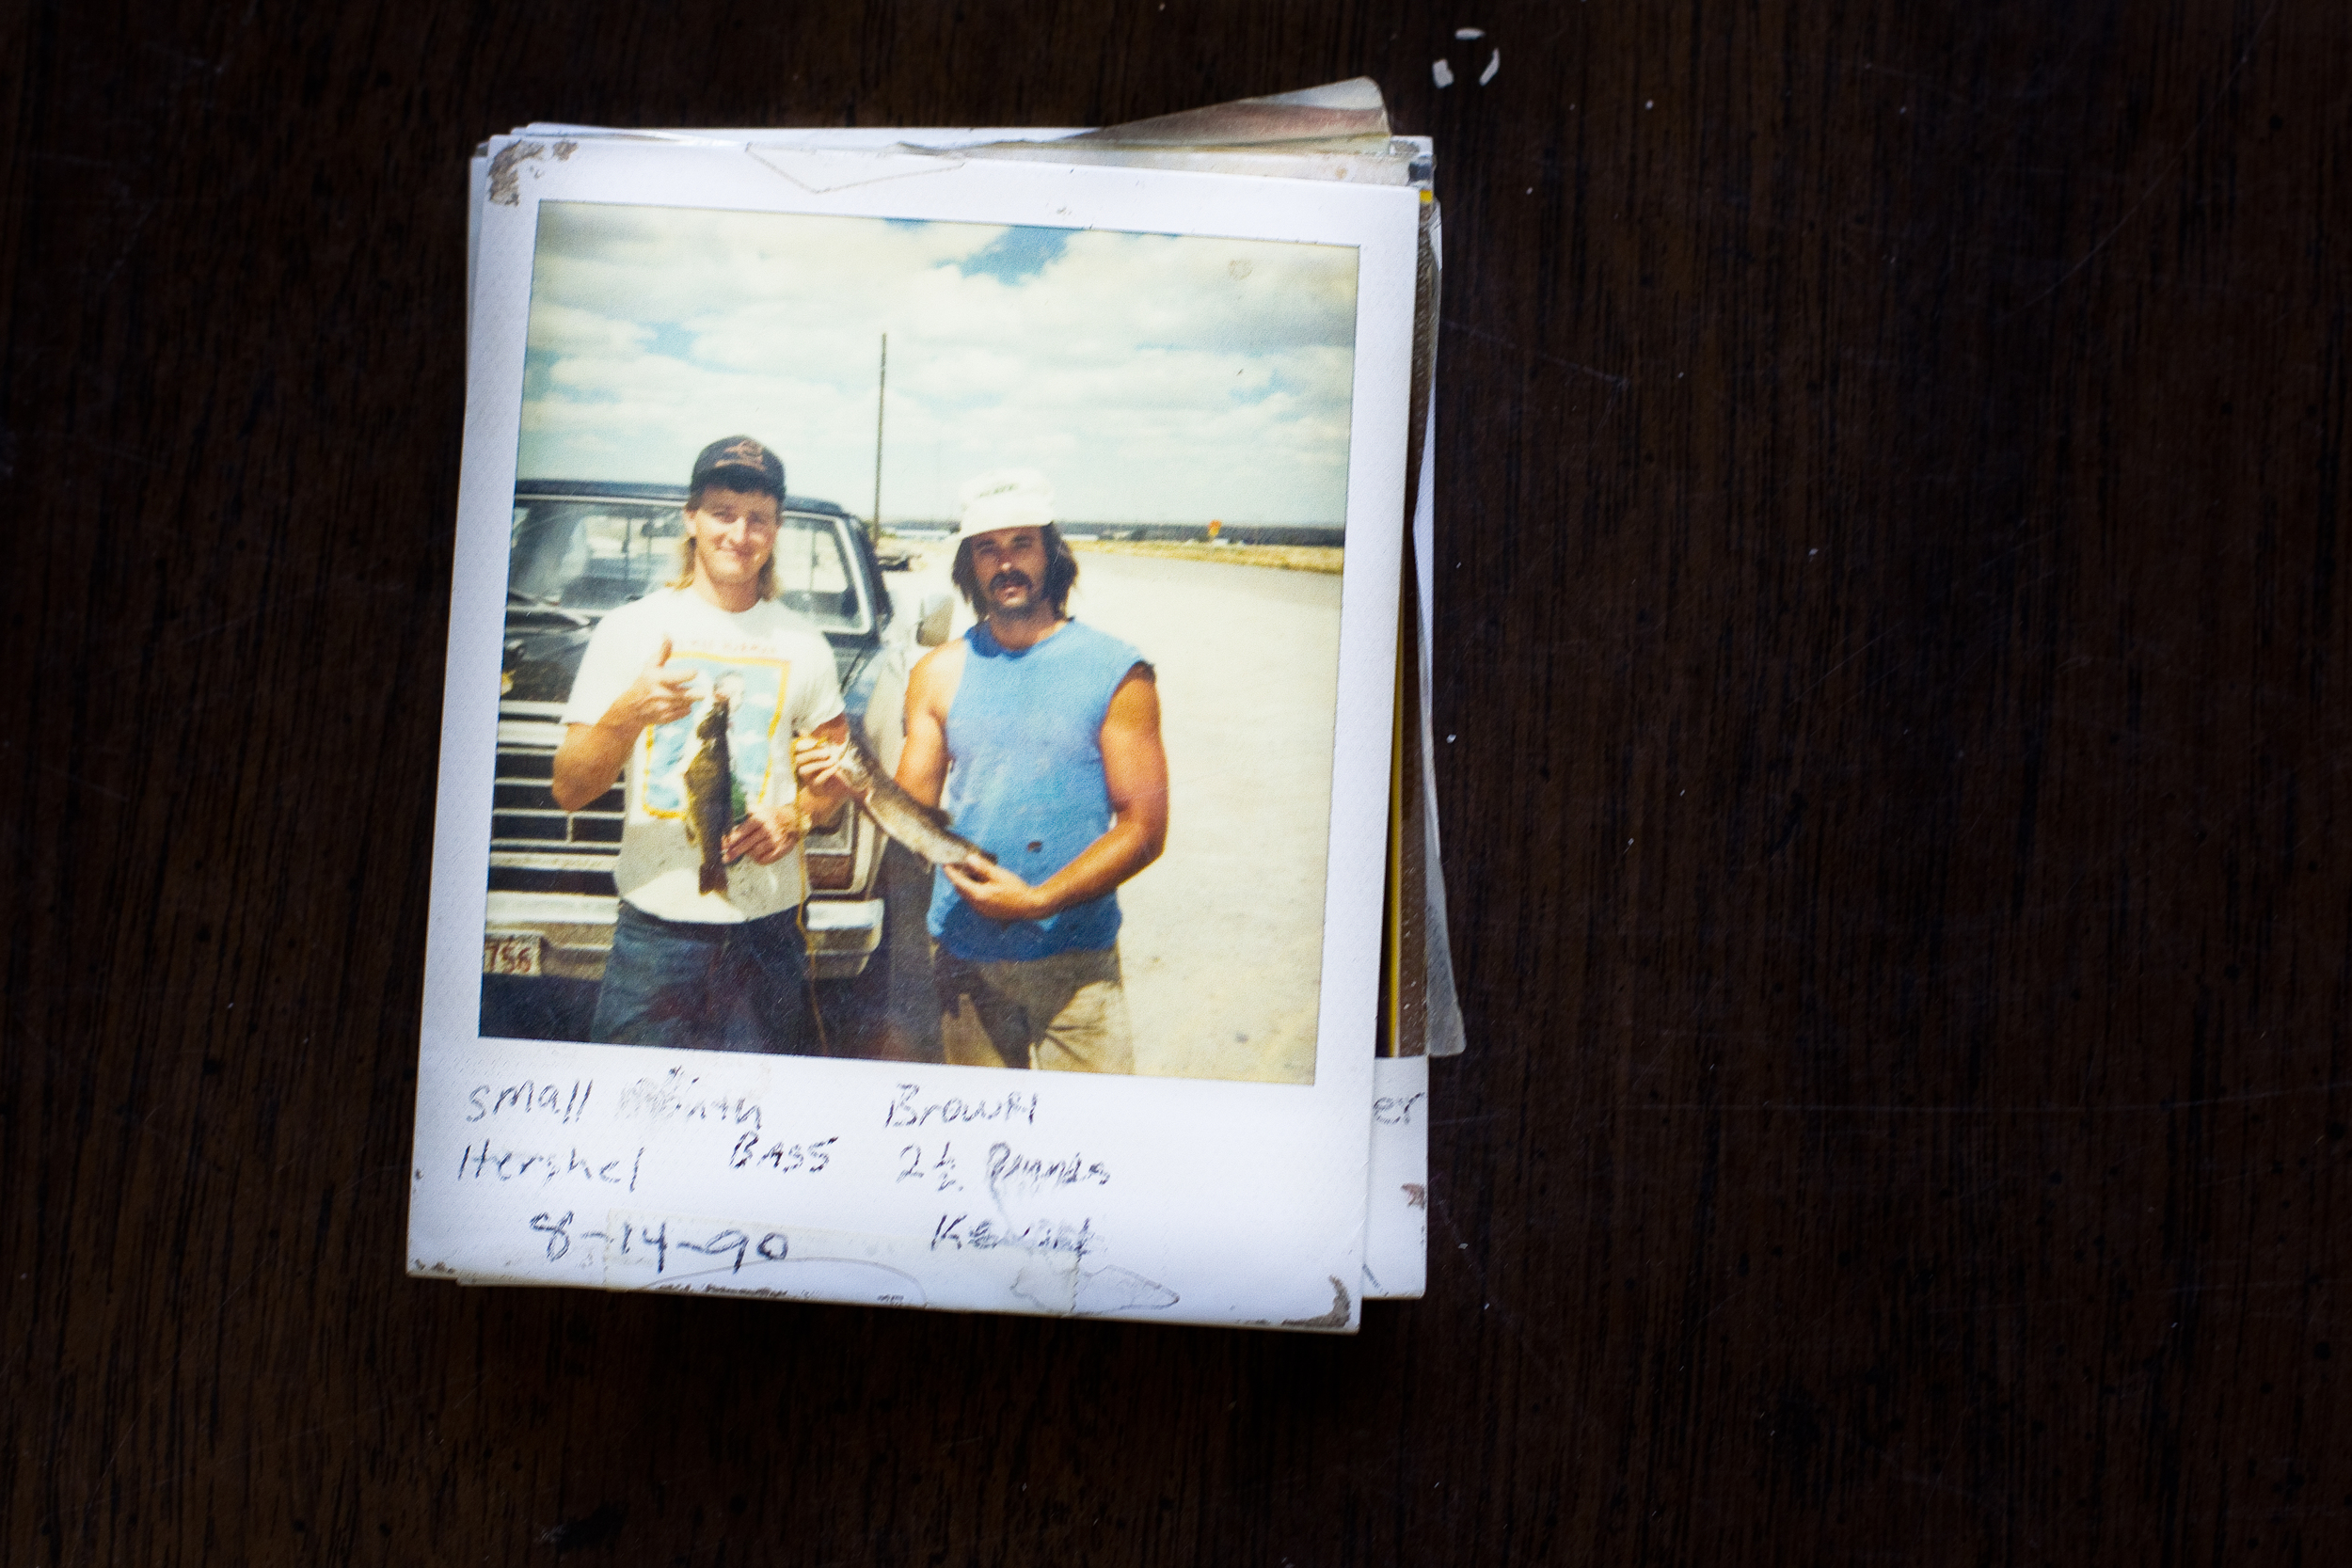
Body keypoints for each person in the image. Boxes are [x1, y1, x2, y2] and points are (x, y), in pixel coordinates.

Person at [550, 436, 853, 1052]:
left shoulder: (806, 644)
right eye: (722, 512)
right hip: (655, 935)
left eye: (758, 518)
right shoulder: (628, 630)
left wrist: (797, 816)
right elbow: (570, 790)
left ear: (776, 529)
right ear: (691, 518)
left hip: (767, 934)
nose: (739, 533)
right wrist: (627, 714)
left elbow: (832, 793)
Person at [891, 468, 1168, 1072]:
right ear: (969, 563)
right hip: (965, 958)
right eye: (987, 547)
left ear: (1052, 553)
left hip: (1078, 964)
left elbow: (1144, 828)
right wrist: (846, 781)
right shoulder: (936, 673)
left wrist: (1039, 900)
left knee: (1094, 1149)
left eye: (1022, 543)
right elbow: (910, 812)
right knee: (979, 1144)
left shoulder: (1118, 671)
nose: (1005, 562)